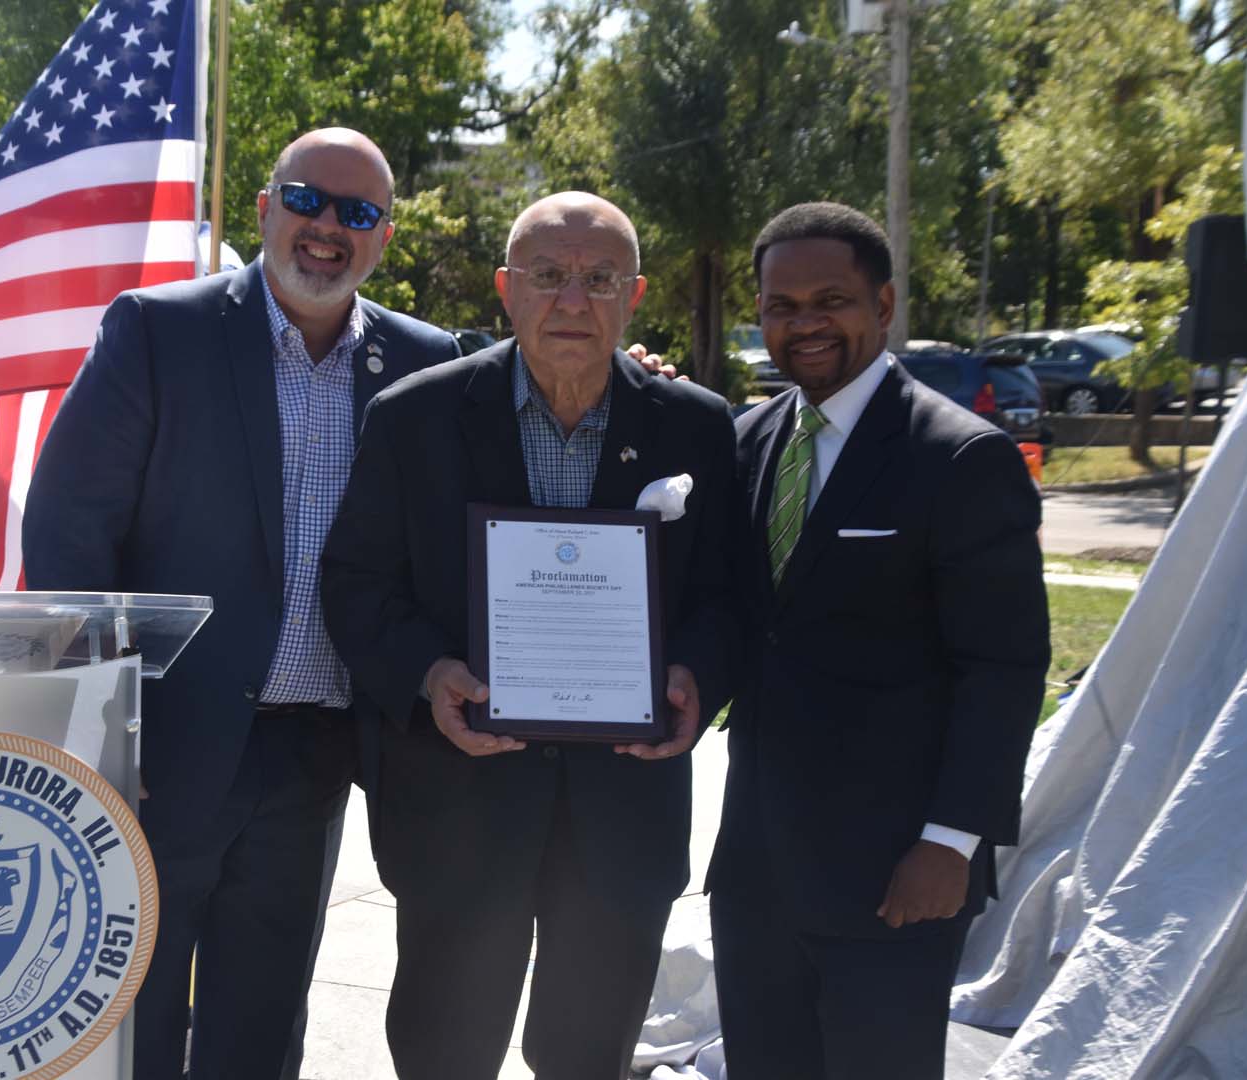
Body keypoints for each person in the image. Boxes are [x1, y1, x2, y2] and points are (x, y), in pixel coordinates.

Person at [21, 128, 461, 1079]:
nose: (327, 228)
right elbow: (67, 536)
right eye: (307, 199)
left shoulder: (425, 364)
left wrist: (632, 382)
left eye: (358, 212)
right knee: (123, 1024)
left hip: (315, 755)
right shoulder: (158, 329)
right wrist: (98, 727)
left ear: (384, 237)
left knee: (258, 1032)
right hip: (160, 750)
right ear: (264, 209)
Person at [321, 191, 739, 1080]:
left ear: (636, 294)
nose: (574, 302)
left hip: (622, 811)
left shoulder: (695, 424)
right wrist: (429, 673)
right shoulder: (414, 417)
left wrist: (697, 673)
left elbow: (732, 595)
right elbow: (356, 585)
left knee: (586, 1058)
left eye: (600, 279)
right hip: (460, 807)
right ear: (507, 291)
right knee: (444, 1053)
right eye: (549, 277)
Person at [706, 201, 1049, 1080]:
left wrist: (951, 842)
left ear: (886, 305)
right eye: (781, 306)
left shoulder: (963, 458)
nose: (805, 324)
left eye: (832, 300)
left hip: (898, 871)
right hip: (758, 868)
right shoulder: (746, 443)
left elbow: (1004, 666)